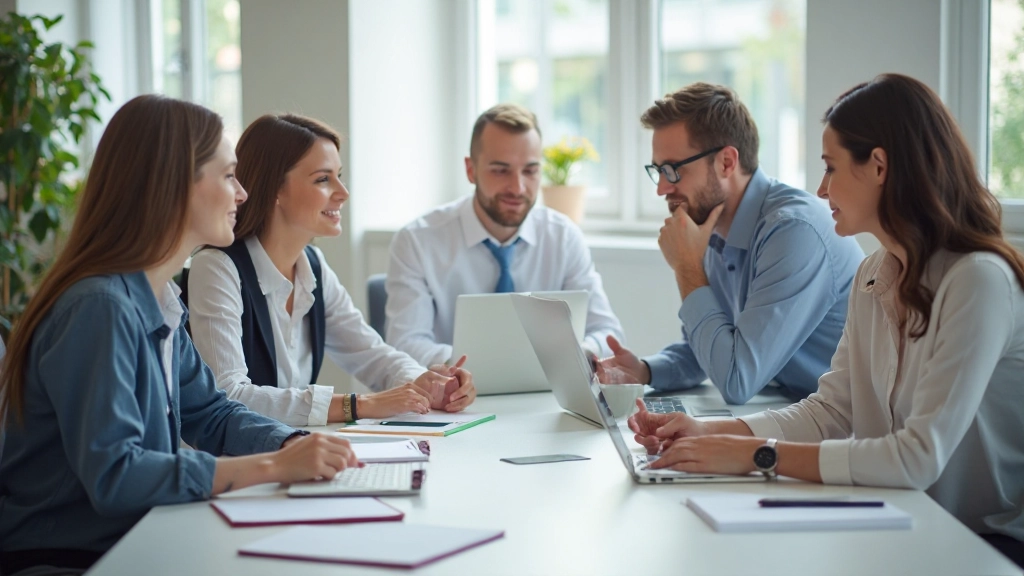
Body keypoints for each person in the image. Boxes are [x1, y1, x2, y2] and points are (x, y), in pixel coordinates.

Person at [625, 74, 1024, 568]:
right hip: (904, 515)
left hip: (982, 542)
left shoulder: (978, 281)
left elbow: (916, 457)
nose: (820, 187)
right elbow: (832, 412)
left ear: (878, 166)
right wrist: (714, 434)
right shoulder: (874, 273)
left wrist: (755, 454)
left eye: (831, 168)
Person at [0, 96, 358, 575]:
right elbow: (117, 475)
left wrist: (289, 442)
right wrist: (274, 467)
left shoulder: (158, 296)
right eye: (229, 175)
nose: (243, 194)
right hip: (75, 559)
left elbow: (208, 412)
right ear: (174, 186)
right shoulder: (100, 308)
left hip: (137, 539)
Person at [186, 113, 476, 427]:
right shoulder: (217, 267)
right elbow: (229, 394)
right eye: (323, 179)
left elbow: (373, 355)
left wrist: (430, 384)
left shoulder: (312, 266)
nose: (343, 192)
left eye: (339, 175)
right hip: (237, 463)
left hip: (293, 448)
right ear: (275, 189)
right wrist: (358, 405)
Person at [596, 83, 864, 404]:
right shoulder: (712, 225)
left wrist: (687, 267)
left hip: (847, 422)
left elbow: (737, 379)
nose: (662, 189)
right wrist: (644, 370)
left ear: (726, 162)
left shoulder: (793, 232)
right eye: (658, 171)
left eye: (673, 170)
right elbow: (709, 350)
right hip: (795, 409)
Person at [385, 103, 625, 366]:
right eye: (501, 170)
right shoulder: (418, 241)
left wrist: (577, 354)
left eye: (530, 171)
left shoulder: (563, 237)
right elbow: (405, 344)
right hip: (452, 397)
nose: (517, 187)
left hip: (547, 396)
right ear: (470, 169)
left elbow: (608, 334)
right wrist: (483, 364)